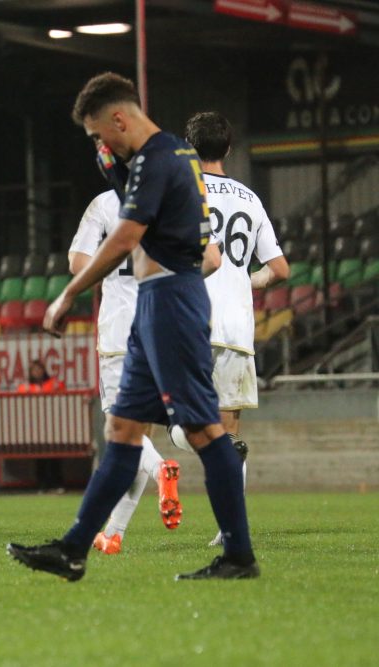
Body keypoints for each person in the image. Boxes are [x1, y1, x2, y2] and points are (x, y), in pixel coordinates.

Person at [6, 72, 259, 581]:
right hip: (155, 302)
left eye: (100, 134)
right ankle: (74, 549)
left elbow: (125, 237)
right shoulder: (174, 159)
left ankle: (238, 555)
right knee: (121, 430)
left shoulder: (160, 158)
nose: (101, 144)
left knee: (207, 431)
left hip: (171, 302)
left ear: (119, 118)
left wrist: (68, 295)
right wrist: (117, 172)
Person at [169, 111, 289, 547]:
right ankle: (229, 528)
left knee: (183, 423)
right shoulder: (250, 199)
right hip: (238, 323)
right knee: (230, 430)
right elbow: (279, 268)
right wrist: (244, 280)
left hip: (191, 315)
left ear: (187, 145)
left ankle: (181, 435)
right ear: (230, 149)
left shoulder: (182, 190)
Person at [68, 189, 182, 556]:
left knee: (121, 433)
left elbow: (78, 263)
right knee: (135, 436)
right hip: (162, 327)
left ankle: (161, 467)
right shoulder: (170, 198)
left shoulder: (104, 203)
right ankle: (114, 534)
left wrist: (108, 267)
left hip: (120, 330)